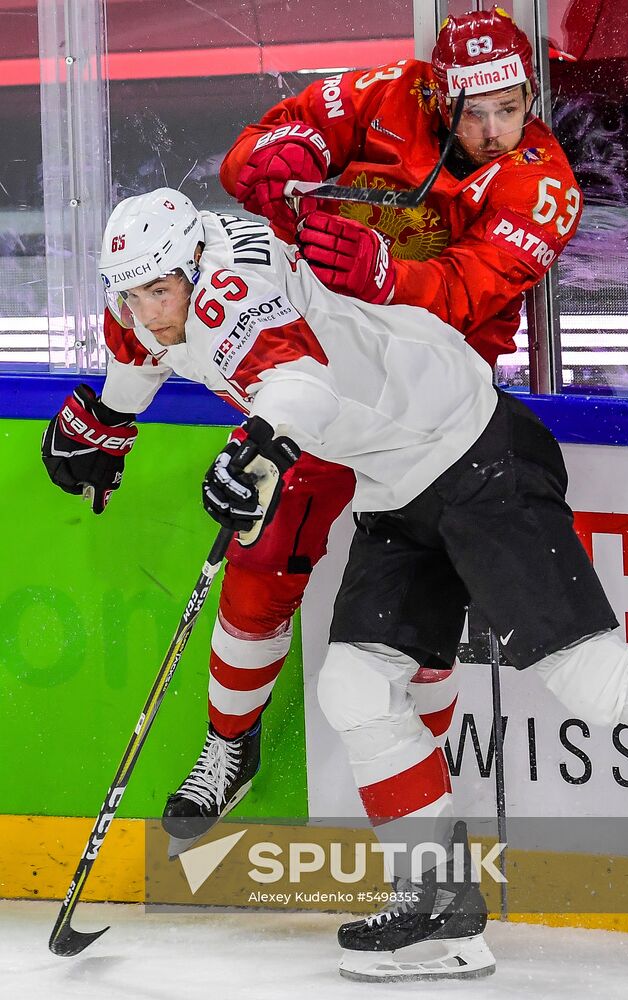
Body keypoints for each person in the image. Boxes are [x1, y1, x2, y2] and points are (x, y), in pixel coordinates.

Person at [42, 189, 628, 981]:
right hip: (395, 481)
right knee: (357, 686)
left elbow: (300, 380)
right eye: (129, 295)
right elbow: (144, 351)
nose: (148, 314)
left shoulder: (232, 302)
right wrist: (111, 417)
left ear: (195, 267)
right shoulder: (166, 277)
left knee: (592, 679)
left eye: (159, 293)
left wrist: (259, 444)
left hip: (474, 451)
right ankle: (442, 913)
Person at [93, 6, 577, 844]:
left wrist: (387, 273)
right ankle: (226, 746)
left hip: (430, 416)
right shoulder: (387, 92)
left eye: (512, 107)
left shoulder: (545, 183)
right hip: (313, 375)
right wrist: (279, 157)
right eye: (475, 109)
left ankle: (432, 814)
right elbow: (264, 150)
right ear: (439, 92)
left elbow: (474, 291)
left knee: (421, 629)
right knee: (260, 563)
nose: (495, 130)